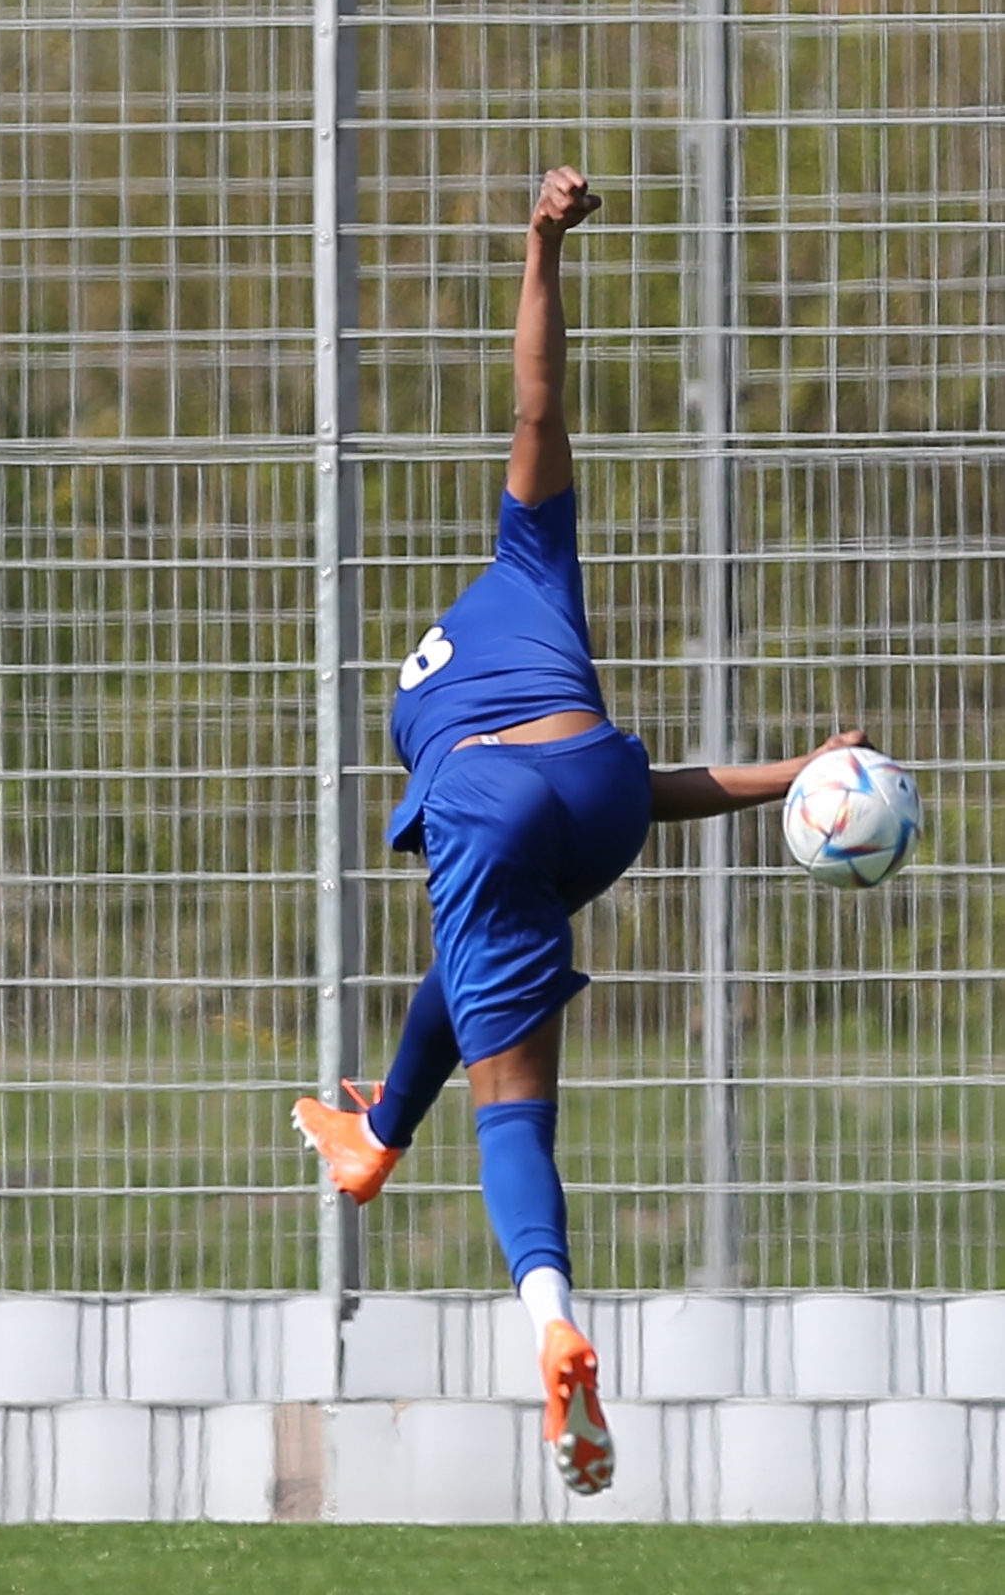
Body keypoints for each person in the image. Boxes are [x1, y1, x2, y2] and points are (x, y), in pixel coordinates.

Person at [294, 168, 868, 1496]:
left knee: (516, 1109)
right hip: (602, 791)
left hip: (494, 806)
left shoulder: (413, 701)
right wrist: (542, 247)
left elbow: (480, 846)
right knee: (485, 962)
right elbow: (537, 397)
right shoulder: (529, 563)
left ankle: (550, 1322)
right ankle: (378, 1130)